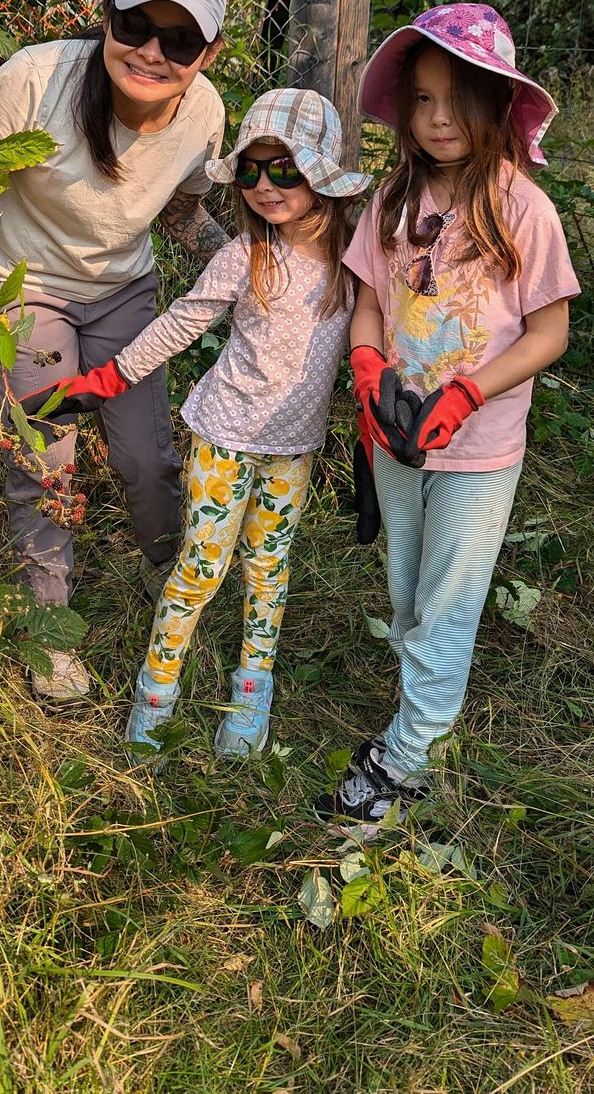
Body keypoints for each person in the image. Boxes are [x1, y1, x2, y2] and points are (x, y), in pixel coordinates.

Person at [0, 0, 231, 705]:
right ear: (105, 15)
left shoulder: (204, 111)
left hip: (125, 293)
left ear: (210, 51)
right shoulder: (36, 80)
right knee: (45, 454)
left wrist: (250, 265)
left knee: (144, 454)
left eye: (179, 39)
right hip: (25, 283)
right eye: (135, 24)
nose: (150, 52)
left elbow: (181, 211)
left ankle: (164, 567)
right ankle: (50, 630)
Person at [18, 89, 369, 761]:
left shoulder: (354, 266)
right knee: (200, 568)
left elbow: (374, 348)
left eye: (285, 169)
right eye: (252, 171)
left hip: (294, 450)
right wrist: (106, 379)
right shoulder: (245, 255)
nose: (266, 186)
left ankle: (251, 692)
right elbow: (181, 322)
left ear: (321, 175)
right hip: (224, 442)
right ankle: (158, 689)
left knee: (269, 572)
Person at [314, 3, 580, 832]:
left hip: (480, 448)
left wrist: (469, 392)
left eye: (456, 99)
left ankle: (405, 758)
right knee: (406, 590)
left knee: (450, 599)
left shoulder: (522, 209)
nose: (436, 119)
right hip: (397, 439)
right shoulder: (391, 201)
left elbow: (550, 332)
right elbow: (367, 306)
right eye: (421, 99)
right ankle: (418, 697)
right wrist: (366, 364)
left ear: (498, 104)